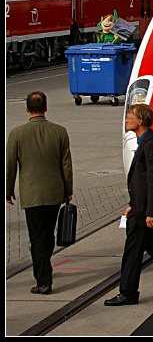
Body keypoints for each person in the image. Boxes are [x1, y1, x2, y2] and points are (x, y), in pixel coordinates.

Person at [6, 91, 73, 295]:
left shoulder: (17, 134)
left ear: (27, 109)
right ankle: (45, 266)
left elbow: (10, 165)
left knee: (36, 237)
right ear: (46, 108)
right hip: (54, 192)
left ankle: (43, 280)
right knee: (48, 234)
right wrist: (68, 190)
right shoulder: (60, 131)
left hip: (31, 194)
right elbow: (66, 164)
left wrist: (7, 190)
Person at [106, 103, 153, 306]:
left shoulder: (151, 143)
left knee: (132, 253)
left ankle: (128, 292)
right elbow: (142, 182)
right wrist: (133, 203)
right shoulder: (145, 142)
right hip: (140, 208)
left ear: (140, 121)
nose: (126, 120)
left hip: (144, 213)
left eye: (130, 116)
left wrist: (150, 212)